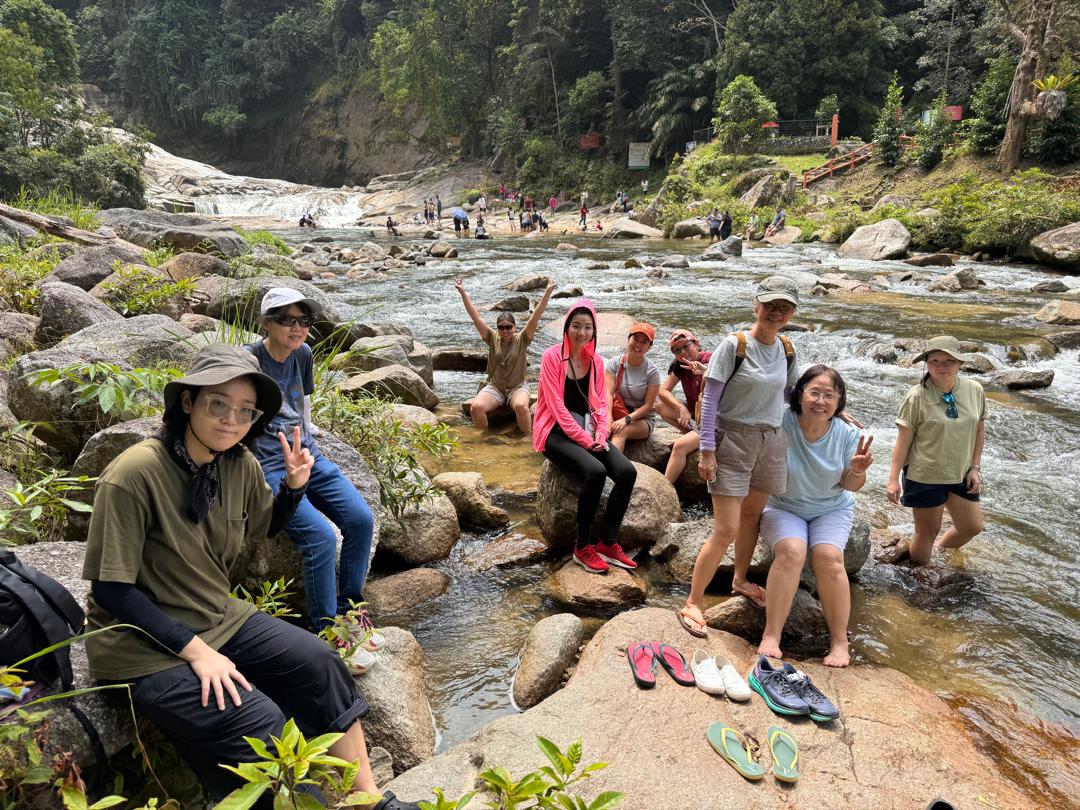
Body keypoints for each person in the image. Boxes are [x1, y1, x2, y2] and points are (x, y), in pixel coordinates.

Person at [82, 343, 420, 810]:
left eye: (245, 410)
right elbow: (111, 589)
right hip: (141, 644)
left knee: (320, 661)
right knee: (259, 721)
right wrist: (198, 653)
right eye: (218, 404)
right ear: (188, 401)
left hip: (215, 615)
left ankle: (368, 800)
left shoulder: (236, 463)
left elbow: (265, 525)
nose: (232, 420)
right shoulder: (135, 472)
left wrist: (294, 488)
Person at [245, 290, 381, 649]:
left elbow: (303, 400)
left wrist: (309, 431)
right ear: (266, 323)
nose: (298, 327)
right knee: (320, 538)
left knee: (360, 519)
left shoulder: (302, 353)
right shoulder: (249, 360)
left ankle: (351, 609)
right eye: (287, 320)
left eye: (304, 320)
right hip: (268, 464)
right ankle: (327, 630)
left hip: (308, 455)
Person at [676, 278, 800, 637]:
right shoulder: (735, 345)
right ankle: (693, 601)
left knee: (751, 517)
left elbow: (791, 394)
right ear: (756, 306)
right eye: (771, 305)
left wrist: (833, 411)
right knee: (726, 529)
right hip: (732, 439)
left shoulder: (787, 348)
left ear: (792, 313)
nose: (776, 313)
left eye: (784, 307)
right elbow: (711, 400)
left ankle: (740, 579)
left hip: (771, 441)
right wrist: (707, 451)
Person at [758, 366, 874, 667]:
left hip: (831, 508)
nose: (821, 401)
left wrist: (857, 471)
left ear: (839, 401)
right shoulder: (781, 421)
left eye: (829, 395)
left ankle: (840, 642)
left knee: (829, 557)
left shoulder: (848, 433)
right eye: (814, 393)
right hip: (783, 505)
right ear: (800, 395)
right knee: (791, 551)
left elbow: (850, 486)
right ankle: (772, 635)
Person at [533, 299, 638, 574]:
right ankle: (582, 546)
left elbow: (600, 404)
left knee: (627, 472)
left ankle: (608, 543)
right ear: (566, 328)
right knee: (595, 471)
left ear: (594, 331)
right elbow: (556, 408)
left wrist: (601, 436)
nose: (582, 332)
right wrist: (586, 441)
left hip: (588, 430)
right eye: (576, 326)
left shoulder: (595, 361)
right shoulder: (551, 357)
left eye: (588, 327)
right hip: (555, 432)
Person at [886, 336, 986, 565]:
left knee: (972, 527)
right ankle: (920, 574)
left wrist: (975, 468)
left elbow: (979, 430)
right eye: (935, 361)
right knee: (927, 532)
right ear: (927, 364)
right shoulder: (916, 396)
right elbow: (903, 441)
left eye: (949, 361)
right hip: (925, 475)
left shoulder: (974, 389)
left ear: (960, 363)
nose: (943, 367)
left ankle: (940, 551)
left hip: (960, 473)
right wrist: (893, 480)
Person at [455, 276, 555, 433]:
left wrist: (548, 292)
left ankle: (526, 440)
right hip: (496, 388)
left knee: (521, 407)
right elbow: (476, 317)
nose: (505, 330)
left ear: (515, 327)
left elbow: (535, 316)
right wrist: (463, 293)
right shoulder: (491, 337)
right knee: (476, 407)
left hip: (517, 388)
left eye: (508, 327)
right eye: (501, 328)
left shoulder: (522, 338)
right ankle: (483, 438)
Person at [654, 329, 712, 485]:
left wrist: (705, 372)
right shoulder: (680, 366)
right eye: (677, 350)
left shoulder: (711, 360)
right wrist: (681, 408)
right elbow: (663, 391)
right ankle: (690, 435)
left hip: (712, 423)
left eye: (686, 347)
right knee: (660, 405)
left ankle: (664, 490)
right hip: (696, 416)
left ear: (697, 344)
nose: (683, 353)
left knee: (679, 447)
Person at [604, 323, 661, 452]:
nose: (638, 344)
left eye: (644, 342)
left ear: (649, 347)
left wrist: (626, 419)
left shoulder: (653, 372)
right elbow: (608, 393)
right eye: (635, 339)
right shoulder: (614, 363)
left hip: (642, 420)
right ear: (628, 339)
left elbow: (648, 406)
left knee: (620, 431)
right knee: (594, 427)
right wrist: (608, 417)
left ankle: (613, 464)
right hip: (616, 412)